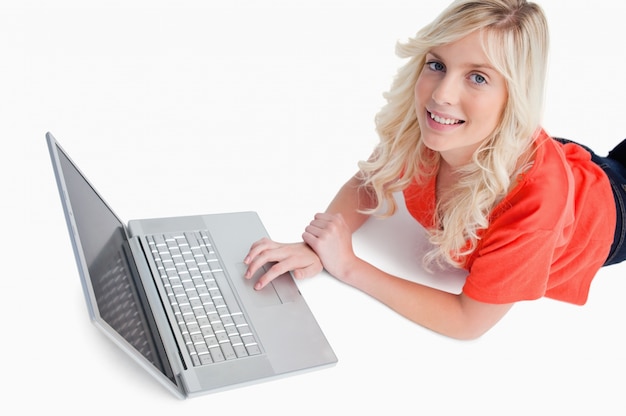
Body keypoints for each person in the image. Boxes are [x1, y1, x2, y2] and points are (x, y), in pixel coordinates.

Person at [243, 0, 626, 340]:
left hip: (612, 207)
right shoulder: (429, 130)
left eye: (478, 77)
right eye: (437, 64)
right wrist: (315, 246)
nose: (441, 94)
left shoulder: (536, 207)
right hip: (571, 162)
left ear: (516, 98)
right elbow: (370, 181)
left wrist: (348, 266)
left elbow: (467, 321)